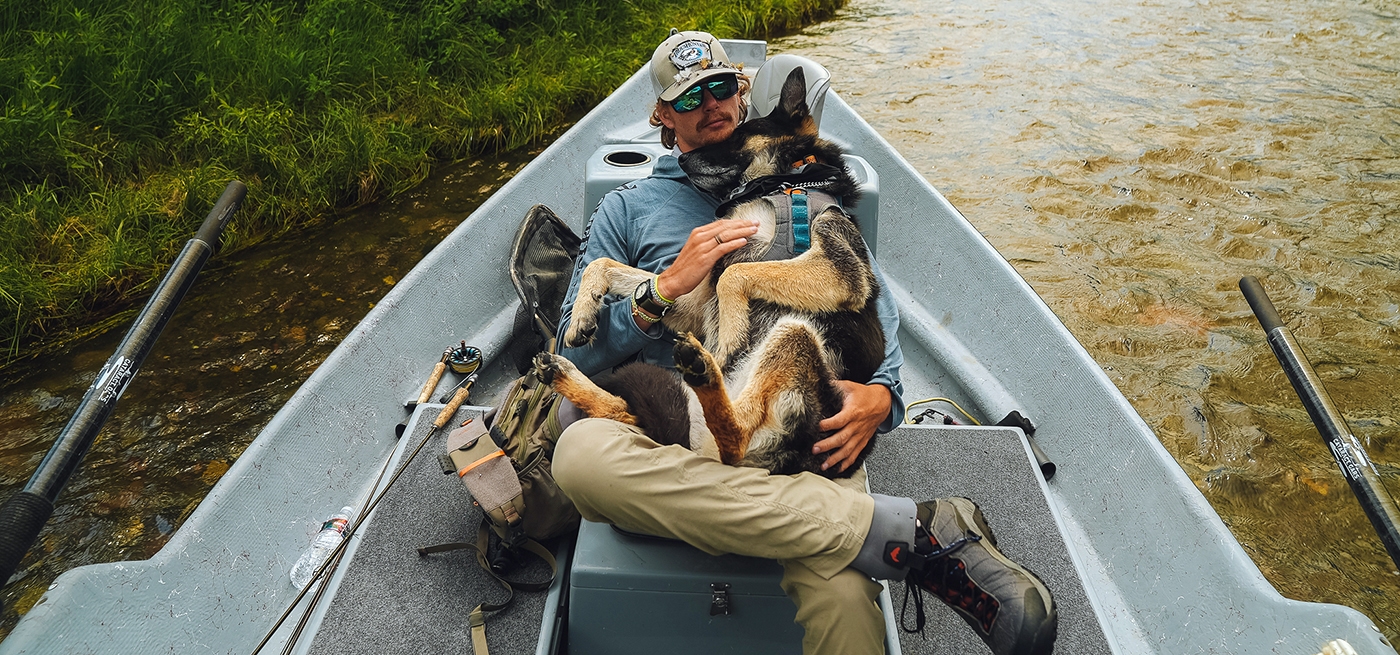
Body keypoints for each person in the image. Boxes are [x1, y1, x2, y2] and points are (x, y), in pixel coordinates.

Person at [549, 30, 1057, 655]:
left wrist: (883, 396)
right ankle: (903, 534)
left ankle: (852, 530)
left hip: (796, 421)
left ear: (742, 92)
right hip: (675, 427)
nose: (711, 105)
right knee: (577, 456)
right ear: (661, 115)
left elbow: (872, 303)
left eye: (720, 88)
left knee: (844, 596)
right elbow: (573, 355)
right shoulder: (629, 209)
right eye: (689, 98)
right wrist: (661, 292)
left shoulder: (800, 180)